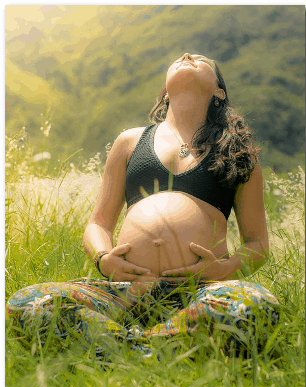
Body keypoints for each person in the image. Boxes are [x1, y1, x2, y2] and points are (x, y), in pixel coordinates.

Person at [6, 53, 279, 359]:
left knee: (255, 304)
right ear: (164, 92)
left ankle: (120, 348)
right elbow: (98, 223)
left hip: (200, 292)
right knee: (28, 302)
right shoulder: (131, 142)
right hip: (125, 291)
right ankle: (164, 348)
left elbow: (257, 244)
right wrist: (103, 260)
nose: (187, 56)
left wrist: (224, 269)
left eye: (201, 59)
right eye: (180, 58)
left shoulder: (237, 152)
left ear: (219, 91)